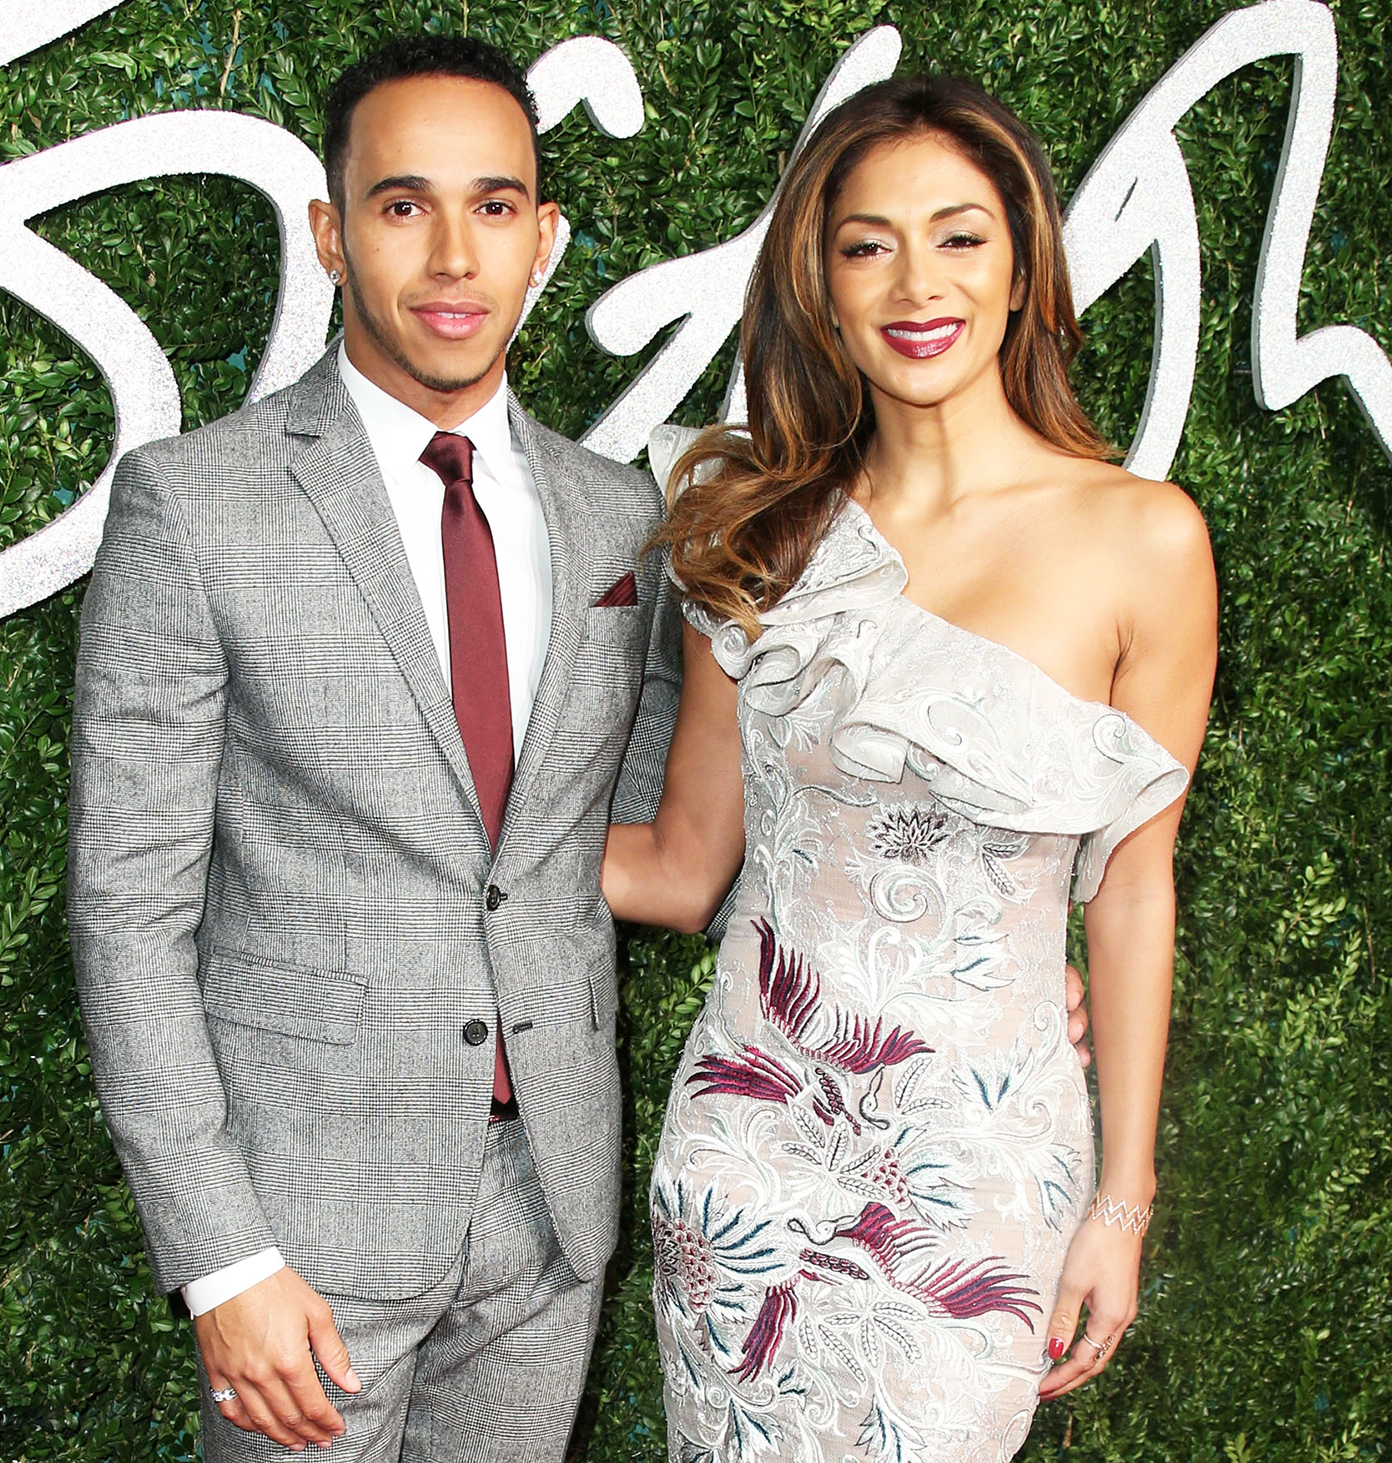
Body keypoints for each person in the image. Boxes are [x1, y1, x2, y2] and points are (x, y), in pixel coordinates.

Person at [66, 35, 683, 1461]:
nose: (455, 254)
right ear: (334, 235)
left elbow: (655, 826)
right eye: (405, 206)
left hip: (552, 1212)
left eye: (495, 205)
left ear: (547, 238)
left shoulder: (617, 516)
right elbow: (126, 907)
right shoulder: (196, 505)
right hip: (300, 1226)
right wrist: (222, 1256)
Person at [602, 74, 1216, 1462]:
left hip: (983, 1170)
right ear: (819, 284)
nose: (914, 281)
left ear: (1022, 269)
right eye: (868, 243)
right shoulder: (751, 524)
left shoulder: (1145, 540)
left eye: (959, 236)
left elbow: (1130, 894)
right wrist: (426, 839)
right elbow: (688, 858)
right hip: (745, 1149)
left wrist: (1122, 1198)